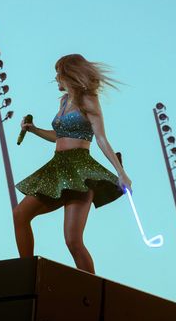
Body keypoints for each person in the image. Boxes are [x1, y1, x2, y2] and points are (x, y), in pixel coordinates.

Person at [13, 54, 132, 274]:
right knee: (20, 215)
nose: (55, 79)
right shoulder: (63, 101)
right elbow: (59, 135)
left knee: (73, 241)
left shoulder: (88, 100)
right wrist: (34, 129)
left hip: (80, 169)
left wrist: (121, 172)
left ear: (67, 73)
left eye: (57, 73)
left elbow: (101, 139)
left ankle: (92, 291)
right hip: (56, 167)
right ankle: (26, 272)